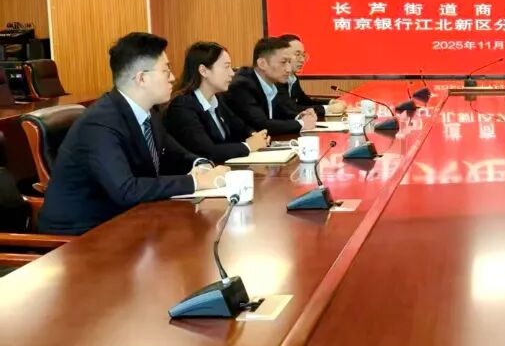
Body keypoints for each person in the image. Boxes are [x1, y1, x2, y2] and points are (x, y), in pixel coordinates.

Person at [38, 33, 229, 236]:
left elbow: (173, 153)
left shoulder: (149, 113)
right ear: (141, 78)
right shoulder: (100, 123)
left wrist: (201, 165)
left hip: (126, 220)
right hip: (81, 235)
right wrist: (196, 182)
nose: (173, 78)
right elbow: (126, 189)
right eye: (166, 71)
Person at [165, 42, 271, 164]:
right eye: (226, 67)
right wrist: (248, 146)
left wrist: (255, 136)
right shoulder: (182, 106)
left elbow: (240, 127)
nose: (232, 73)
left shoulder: (217, 98)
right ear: (203, 71)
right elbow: (207, 152)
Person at [225, 37, 317, 136]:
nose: (288, 69)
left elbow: (281, 112)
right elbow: (261, 125)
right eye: (283, 62)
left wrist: (299, 116)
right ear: (262, 64)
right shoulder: (242, 86)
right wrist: (302, 124)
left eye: (289, 62)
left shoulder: (272, 82)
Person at [279, 34, 346, 119]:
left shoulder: (293, 77)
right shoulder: (277, 79)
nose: (302, 60)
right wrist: (327, 109)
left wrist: (330, 102)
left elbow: (305, 101)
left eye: (303, 55)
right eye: (297, 54)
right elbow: (290, 110)